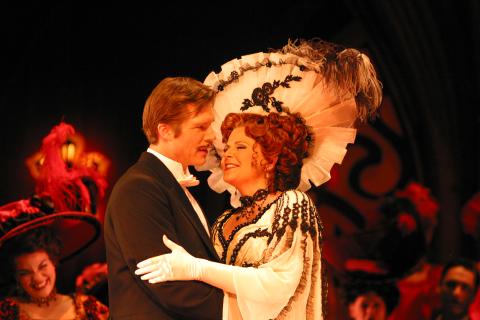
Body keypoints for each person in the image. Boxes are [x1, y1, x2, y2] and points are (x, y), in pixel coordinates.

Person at [135, 38, 383, 319]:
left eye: (240, 147)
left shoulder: (291, 204)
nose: (226, 154)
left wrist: (198, 268)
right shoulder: (224, 223)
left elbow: (278, 285)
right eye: (226, 146)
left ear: (271, 157)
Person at [103, 77, 224, 319]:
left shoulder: (167, 184)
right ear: (165, 130)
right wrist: (241, 310)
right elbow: (168, 285)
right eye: (201, 127)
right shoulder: (138, 188)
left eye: (211, 125)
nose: (212, 136)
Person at [0, 198, 109, 319]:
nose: (37, 278)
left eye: (43, 266)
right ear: (16, 276)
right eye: (25, 273)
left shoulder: (89, 308)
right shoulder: (6, 314)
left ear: (53, 262)